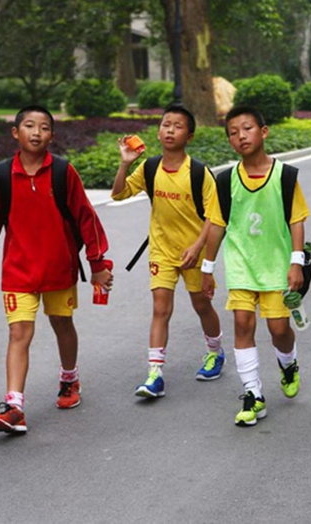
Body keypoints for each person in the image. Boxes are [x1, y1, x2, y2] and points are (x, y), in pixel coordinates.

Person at [0, 105, 114, 434]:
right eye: (29, 126)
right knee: (19, 333)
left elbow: (86, 218)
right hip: (18, 272)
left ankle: (69, 380)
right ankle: (15, 406)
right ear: (15, 133)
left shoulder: (63, 172)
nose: (36, 132)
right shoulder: (1, 175)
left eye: (44, 127)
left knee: (62, 324)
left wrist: (98, 264)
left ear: (52, 136)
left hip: (59, 269)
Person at [201, 105, 310, 427]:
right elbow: (217, 226)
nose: (240, 136)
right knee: (243, 325)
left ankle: (288, 363)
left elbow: (296, 221)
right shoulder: (226, 181)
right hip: (241, 268)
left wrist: (296, 263)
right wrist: (207, 267)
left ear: (264, 132)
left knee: (279, 331)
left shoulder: (285, 176)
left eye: (246, 129)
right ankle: (253, 393)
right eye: (233, 133)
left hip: (276, 268)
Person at [111, 104, 224, 398]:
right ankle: (155, 374)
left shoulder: (199, 172)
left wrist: (198, 246)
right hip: (161, 250)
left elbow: (214, 216)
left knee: (201, 305)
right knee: (161, 308)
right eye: (165, 124)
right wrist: (125, 163)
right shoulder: (149, 167)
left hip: (194, 251)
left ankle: (216, 352)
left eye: (177, 126)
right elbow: (118, 194)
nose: (169, 130)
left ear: (190, 135)